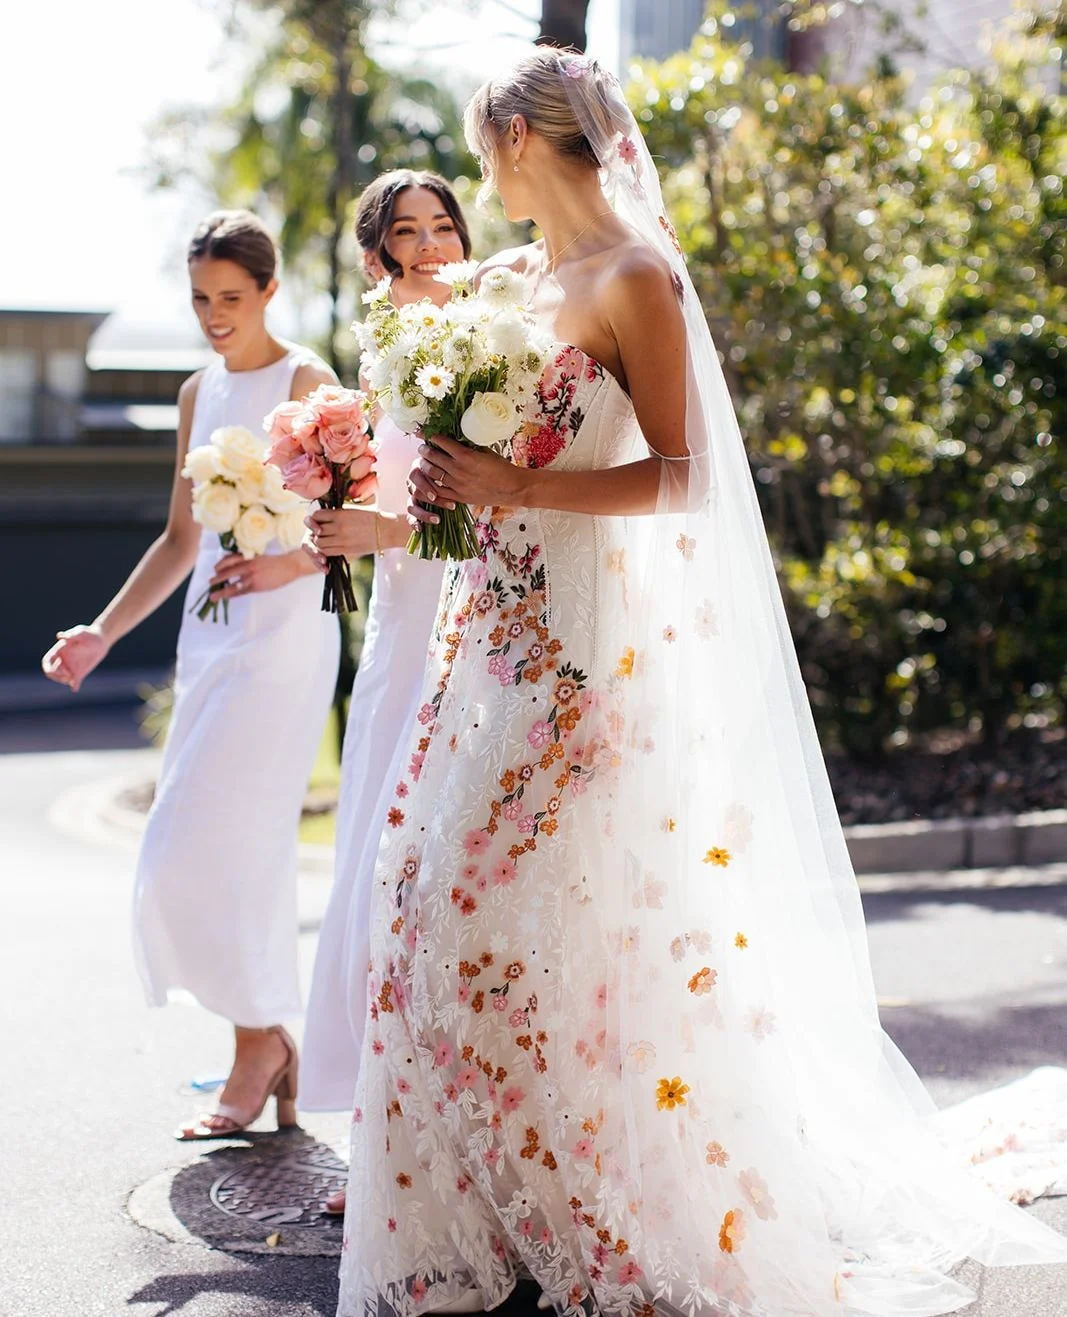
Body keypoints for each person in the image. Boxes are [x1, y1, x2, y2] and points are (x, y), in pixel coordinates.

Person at [334, 49, 1067, 1317]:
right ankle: (483, 1213)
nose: (477, 174)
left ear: (520, 137)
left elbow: (679, 475)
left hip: (577, 650)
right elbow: (435, 408)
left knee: (533, 921)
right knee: (421, 918)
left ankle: (596, 1208)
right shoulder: (505, 279)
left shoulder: (635, 279)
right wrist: (439, 469)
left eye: (483, 148)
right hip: (479, 636)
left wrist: (520, 486)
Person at [42, 210, 340, 1139]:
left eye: (231, 298)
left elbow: (353, 530)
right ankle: (261, 1037)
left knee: (231, 840)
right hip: (209, 637)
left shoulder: (309, 382)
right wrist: (99, 629)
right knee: (185, 845)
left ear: (268, 291)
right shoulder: (194, 393)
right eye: (201, 299)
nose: (215, 316)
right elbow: (180, 540)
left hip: (286, 640)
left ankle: (260, 1047)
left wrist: (284, 562)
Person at [298, 171, 472, 1214]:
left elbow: (488, 515)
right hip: (395, 632)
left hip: (463, 626)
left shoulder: (484, 343)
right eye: (404, 231)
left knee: (426, 875)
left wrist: (378, 532)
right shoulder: (375, 349)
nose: (426, 245)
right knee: (367, 868)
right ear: (377, 252)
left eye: (442, 224)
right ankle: (377, 1128)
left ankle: (442, 1132)